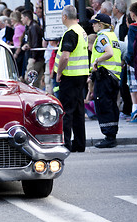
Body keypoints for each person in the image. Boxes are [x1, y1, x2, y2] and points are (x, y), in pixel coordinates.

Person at [54, 5, 89, 152]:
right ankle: (80, 144)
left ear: (64, 17)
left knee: (67, 111)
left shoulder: (70, 33)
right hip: (80, 75)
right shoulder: (81, 31)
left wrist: (59, 72)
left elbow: (65, 56)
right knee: (78, 111)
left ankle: (66, 144)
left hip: (70, 76)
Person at [89, 13, 122, 148]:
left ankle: (109, 137)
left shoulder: (102, 37)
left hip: (105, 76)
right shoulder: (113, 35)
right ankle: (111, 135)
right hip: (114, 76)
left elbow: (109, 53)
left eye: (94, 23)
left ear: (101, 25)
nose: (93, 25)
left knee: (104, 104)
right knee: (111, 105)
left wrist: (96, 60)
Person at [21, 10, 44, 88]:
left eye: (22, 18)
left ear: (26, 18)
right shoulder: (32, 27)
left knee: (29, 79)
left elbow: (36, 43)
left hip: (35, 58)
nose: (21, 20)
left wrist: (34, 57)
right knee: (36, 80)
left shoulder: (33, 27)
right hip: (37, 57)